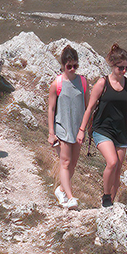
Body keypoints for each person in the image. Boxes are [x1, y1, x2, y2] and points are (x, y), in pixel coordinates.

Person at [78, 44, 127, 208]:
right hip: (102, 129)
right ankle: (106, 197)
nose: (124, 71)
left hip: (121, 131)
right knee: (112, 162)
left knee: (117, 171)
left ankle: (110, 205)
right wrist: (82, 130)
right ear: (113, 65)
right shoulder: (103, 83)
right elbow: (90, 107)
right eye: (121, 67)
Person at [46, 46, 88, 209]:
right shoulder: (56, 83)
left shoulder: (83, 82)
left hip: (77, 129)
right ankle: (70, 198)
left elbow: (87, 106)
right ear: (63, 65)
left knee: (73, 164)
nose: (72, 69)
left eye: (75, 66)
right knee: (65, 162)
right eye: (68, 66)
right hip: (62, 128)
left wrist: (84, 128)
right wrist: (51, 132)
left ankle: (61, 189)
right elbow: (50, 108)